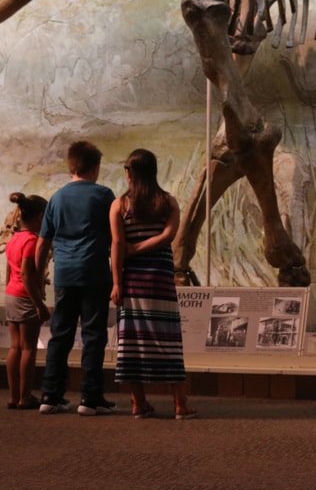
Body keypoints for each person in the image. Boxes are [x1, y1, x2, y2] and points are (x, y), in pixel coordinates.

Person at [109, 148, 197, 420]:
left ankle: (139, 403)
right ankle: (179, 404)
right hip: (160, 279)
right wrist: (142, 248)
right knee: (167, 339)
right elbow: (169, 236)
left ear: (129, 173)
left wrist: (116, 282)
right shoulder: (168, 202)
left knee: (133, 341)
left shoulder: (119, 205)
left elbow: (117, 245)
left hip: (133, 280)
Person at [36, 140, 117, 416]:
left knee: (61, 335)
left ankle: (50, 394)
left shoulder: (56, 198)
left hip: (64, 275)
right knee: (94, 336)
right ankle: (90, 398)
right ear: (95, 168)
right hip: (94, 273)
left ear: (71, 166)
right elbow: (116, 237)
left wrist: (39, 274)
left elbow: (42, 243)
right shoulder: (104, 195)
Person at [3, 191, 49, 410]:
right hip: (25, 296)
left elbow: (10, 272)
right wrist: (39, 304)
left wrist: (7, 292)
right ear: (40, 217)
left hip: (11, 295)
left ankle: (14, 396)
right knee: (28, 347)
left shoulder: (14, 240)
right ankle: (25, 397)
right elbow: (25, 275)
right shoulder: (31, 241)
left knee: (14, 346)